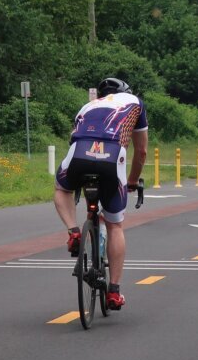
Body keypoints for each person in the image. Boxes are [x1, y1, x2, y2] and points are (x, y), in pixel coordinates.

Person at [54, 77, 148, 310]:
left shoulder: (87, 106)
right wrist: (133, 180)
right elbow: (141, 151)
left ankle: (74, 231)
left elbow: (74, 137)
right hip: (112, 156)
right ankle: (114, 292)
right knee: (115, 226)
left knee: (62, 189)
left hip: (79, 152)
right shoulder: (135, 102)